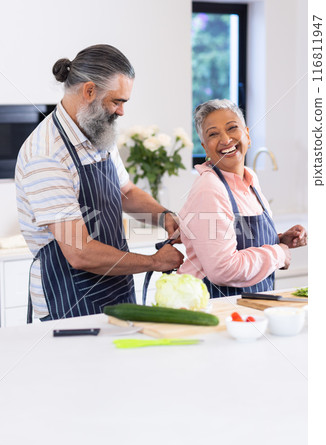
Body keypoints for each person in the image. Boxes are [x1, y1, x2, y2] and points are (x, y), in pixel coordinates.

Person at [15, 44, 183, 322]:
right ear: (89, 91)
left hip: (116, 285)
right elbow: (79, 252)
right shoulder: (46, 155)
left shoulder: (97, 131)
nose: (121, 112)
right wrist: (154, 262)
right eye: (117, 101)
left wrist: (163, 216)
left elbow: (125, 192)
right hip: (69, 298)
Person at [177, 99, 307, 297]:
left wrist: (279, 240)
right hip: (214, 307)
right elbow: (223, 269)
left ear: (247, 135)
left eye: (232, 128)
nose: (226, 139)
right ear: (205, 147)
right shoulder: (210, 188)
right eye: (213, 134)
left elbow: (236, 239)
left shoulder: (250, 178)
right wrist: (279, 253)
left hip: (249, 307)